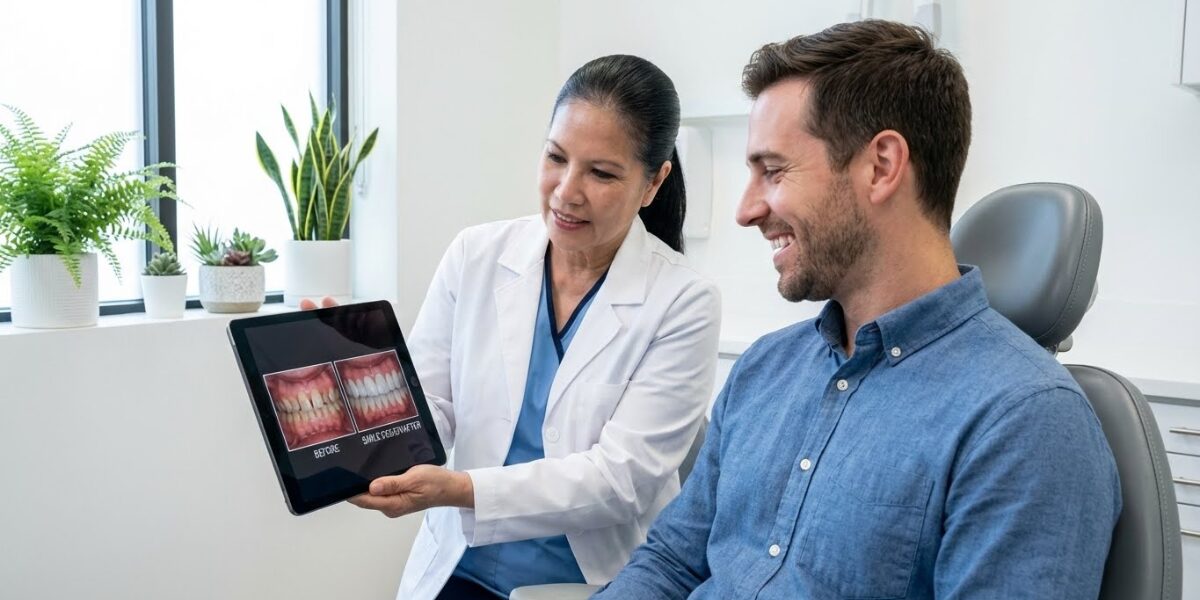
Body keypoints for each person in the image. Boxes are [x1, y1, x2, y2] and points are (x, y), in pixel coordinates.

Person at [596, 20, 1120, 599]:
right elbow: (671, 564)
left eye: (773, 171)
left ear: (881, 166)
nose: (745, 211)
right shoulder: (764, 370)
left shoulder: (1025, 421)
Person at [305, 54, 721, 599]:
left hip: (586, 583)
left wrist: (460, 489)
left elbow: (620, 480)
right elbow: (433, 408)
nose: (566, 191)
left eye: (601, 173)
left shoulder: (685, 302)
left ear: (653, 181)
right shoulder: (475, 255)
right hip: (458, 568)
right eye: (556, 157)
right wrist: (361, 385)